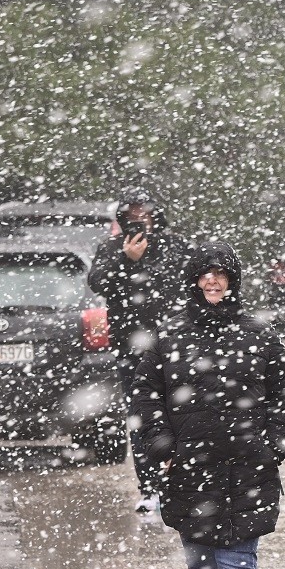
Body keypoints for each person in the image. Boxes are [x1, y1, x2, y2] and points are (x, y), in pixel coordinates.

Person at [132, 242, 285, 569]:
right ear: (193, 280)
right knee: (201, 556)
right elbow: (147, 400)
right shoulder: (168, 337)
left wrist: (274, 445)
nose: (212, 280)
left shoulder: (258, 334)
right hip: (190, 465)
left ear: (233, 280)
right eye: (205, 273)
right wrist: (163, 450)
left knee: (240, 553)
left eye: (220, 273)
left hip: (248, 464)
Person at [88, 188, 195, 513]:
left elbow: (192, 283)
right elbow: (97, 283)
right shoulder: (110, 248)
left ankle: (183, 483)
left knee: (185, 417)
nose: (138, 219)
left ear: (154, 215)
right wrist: (126, 259)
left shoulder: (175, 245)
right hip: (131, 352)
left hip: (176, 347)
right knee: (142, 420)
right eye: (131, 214)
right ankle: (149, 488)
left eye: (143, 213)